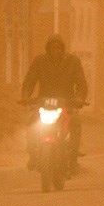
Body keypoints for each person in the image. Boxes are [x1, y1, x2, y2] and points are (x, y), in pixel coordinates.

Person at [20, 33, 88, 175]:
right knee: (32, 121)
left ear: (62, 49)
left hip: (67, 104)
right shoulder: (39, 61)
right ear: (48, 49)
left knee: (75, 121)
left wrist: (80, 98)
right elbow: (29, 81)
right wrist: (26, 96)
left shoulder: (73, 61)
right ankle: (33, 154)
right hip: (44, 104)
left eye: (58, 48)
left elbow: (81, 83)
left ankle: (73, 158)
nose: (55, 51)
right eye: (52, 48)